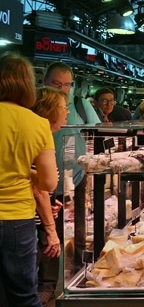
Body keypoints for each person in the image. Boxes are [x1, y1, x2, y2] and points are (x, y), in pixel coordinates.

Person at [0, 53, 58, 307]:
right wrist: (25, 171)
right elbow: (48, 183)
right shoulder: (36, 123)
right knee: (23, 296)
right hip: (16, 219)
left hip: (18, 217)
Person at [43, 61, 101, 288]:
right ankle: (49, 282)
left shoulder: (80, 104)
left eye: (67, 84)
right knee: (49, 230)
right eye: (57, 83)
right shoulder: (38, 105)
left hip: (75, 174)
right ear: (46, 81)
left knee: (79, 224)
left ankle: (78, 271)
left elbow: (96, 130)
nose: (62, 89)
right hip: (46, 177)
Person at [30, 87, 69, 306]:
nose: (68, 113)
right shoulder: (38, 134)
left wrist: (50, 201)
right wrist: (51, 228)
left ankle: (45, 290)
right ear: (51, 110)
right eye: (65, 107)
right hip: (24, 219)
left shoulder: (46, 134)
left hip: (36, 214)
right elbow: (37, 188)